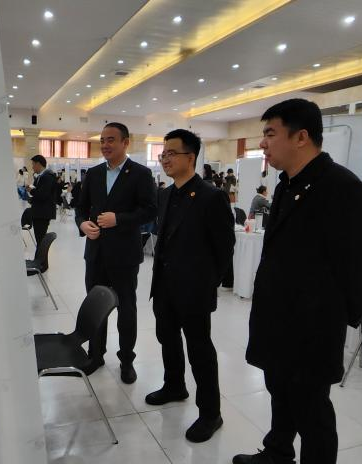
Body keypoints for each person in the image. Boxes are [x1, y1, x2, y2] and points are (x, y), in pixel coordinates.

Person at [232, 99, 362, 464]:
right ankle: (277, 452)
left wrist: (335, 318)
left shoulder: (340, 187)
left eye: (270, 134)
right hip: (278, 317)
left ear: (301, 137)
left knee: (312, 411)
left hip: (313, 327)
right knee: (280, 392)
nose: (262, 143)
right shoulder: (286, 184)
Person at [147, 129, 234, 442]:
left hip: (194, 290)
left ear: (191, 157)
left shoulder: (211, 196)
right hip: (164, 286)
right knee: (167, 338)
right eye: (163, 154)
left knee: (200, 350)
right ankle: (174, 385)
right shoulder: (165, 194)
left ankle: (211, 413)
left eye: (172, 153)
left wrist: (206, 284)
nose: (165, 159)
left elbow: (225, 248)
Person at [77, 122, 157, 384]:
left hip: (124, 255)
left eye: (111, 140)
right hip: (96, 252)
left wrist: (119, 219)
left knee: (126, 309)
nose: (105, 145)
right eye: (102, 140)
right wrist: (83, 224)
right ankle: (96, 354)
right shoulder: (94, 173)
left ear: (125, 142)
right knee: (96, 307)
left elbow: (150, 210)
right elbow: (81, 208)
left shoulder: (140, 174)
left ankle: (126, 360)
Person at [27, 155, 57, 246]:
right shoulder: (42, 176)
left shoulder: (47, 176)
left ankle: (40, 255)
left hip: (42, 213)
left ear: (38, 164)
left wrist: (31, 191)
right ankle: (40, 254)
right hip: (40, 212)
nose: (32, 167)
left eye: (33, 164)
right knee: (39, 239)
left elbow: (43, 195)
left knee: (40, 240)